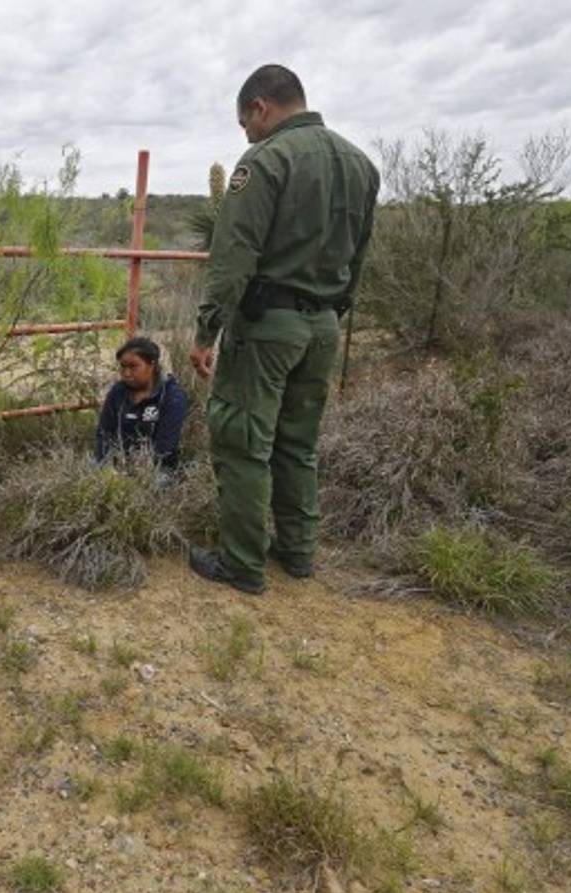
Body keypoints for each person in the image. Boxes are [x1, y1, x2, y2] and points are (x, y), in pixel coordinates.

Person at [187, 64, 379, 595]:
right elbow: (359, 255)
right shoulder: (360, 164)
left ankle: (242, 563)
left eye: (243, 122)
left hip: (268, 327)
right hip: (322, 326)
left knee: (243, 440)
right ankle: (297, 553)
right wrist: (332, 313)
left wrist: (207, 331)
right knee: (298, 443)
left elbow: (233, 255)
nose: (245, 133)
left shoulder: (266, 160)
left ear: (261, 108)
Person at [96, 336, 188, 469]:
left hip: (157, 469)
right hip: (117, 465)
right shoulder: (118, 391)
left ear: (152, 365)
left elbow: (165, 446)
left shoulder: (171, 396)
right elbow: (104, 433)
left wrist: (139, 472)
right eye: (123, 367)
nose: (126, 373)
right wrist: (107, 467)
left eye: (133, 366)